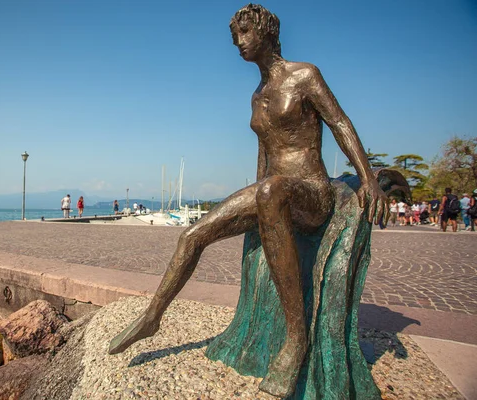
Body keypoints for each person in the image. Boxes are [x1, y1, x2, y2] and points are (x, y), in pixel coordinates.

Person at [107, 5, 388, 397]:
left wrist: (370, 179)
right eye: (234, 36)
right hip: (273, 189)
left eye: (244, 33)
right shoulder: (257, 96)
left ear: (267, 33)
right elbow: (265, 155)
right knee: (192, 234)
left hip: (311, 192)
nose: (238, 43)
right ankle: (152, 316)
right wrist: (256, 209)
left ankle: (296, 339)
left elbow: (340, 122)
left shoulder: (305, 75)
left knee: (271, 192)